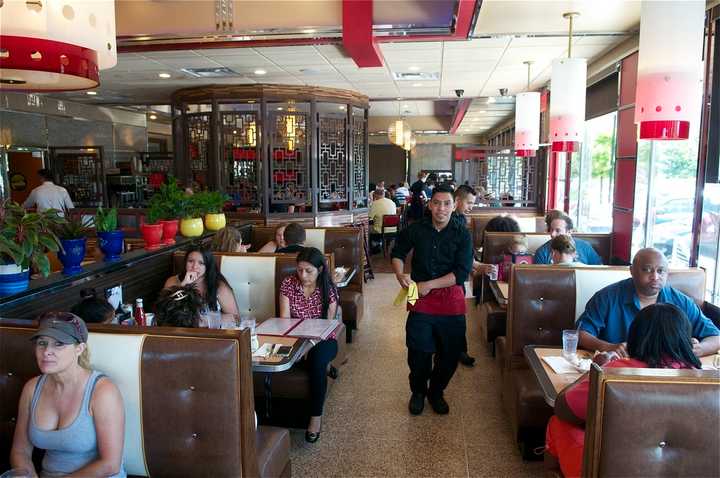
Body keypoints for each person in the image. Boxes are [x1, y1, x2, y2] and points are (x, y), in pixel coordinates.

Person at [546, 303, 702, 478]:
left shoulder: (615, 372)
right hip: (686, 470)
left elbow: (563, 408)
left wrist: (597, 368)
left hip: (615, 469)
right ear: (685, 338)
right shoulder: (704, 379)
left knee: (558, 422)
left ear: (636, 336)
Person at [10, 312, 126, 477]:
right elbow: (20, 451)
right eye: (42, 343)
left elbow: (110, 464)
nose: (47, 351)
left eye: (59, 344)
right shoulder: (32, 388)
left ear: (79, 349)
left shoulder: (102, 391)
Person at [391, 184, 473, 416]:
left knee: (450, 353)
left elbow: (461, 273)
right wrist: (399, 274)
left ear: (454, 205)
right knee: (418, 351)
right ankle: (418, 392)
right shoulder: (416, 229)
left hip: (450, 295)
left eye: (447, 203)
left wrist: (428, 285)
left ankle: (436, 392)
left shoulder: (462, 233)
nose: (441, 208)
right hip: (419, 295)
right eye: (436, 203)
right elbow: (397, 252)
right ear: (429, 204)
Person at [577, 247, 720, 357]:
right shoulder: (607, 297)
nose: (655, 277)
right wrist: (610, 347)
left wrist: (699, 349)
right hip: (619, 371)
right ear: (632, 270)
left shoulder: (681, 301)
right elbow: (581, 335)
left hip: (666, 374)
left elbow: (715, 337)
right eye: (647, 270)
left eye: (661, 271)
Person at [279, 247, 339, 443]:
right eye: (299, 270)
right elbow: (284, 321)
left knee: (316, 361)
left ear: (320, 270)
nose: (303, 275)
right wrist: (299, 344)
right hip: (296, 336)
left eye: (308, 271)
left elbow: (329, 327)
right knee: (292, 356)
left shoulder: (328, 289)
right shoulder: (288, 283)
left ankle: (315, 417)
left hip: (323, 339)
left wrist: (309, 345)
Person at [164, 246, 240, 319]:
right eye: (190, 261)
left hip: (210, 331)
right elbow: (163, 311)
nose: (194, 266)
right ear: (185, 263)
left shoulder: (218, 286)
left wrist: (208, 321)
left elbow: (236, 318)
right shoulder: (173, 281)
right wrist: (183, 286)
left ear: (208, 266)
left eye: (201, 263)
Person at [451, 184, 477, 367]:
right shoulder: (452, 221)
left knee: (459, 315)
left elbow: (465, 254)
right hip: (427, 282)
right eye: (469, 203)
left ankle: (460, 351)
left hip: (456, 278)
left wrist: (473, 264)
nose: (471, 207)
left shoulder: (461, 221)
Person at [534, 210, 602, 265]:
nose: (552, 234)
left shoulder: (585, 247)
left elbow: (598, 270)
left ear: (569, 232)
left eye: (558, 230)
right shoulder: (541, 253)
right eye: (551, 230)